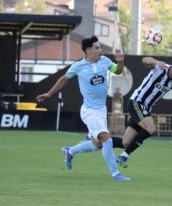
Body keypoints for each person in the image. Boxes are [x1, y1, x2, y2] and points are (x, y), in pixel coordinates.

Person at [36, 35, 130, 181]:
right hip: (89, 110)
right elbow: (63, 80)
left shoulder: (105, 61)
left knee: (97, 144)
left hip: (101, 110)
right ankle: (116, 174)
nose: (100, 50)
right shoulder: (78, 66)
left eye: (100, 47)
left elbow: (117, 71)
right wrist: (48, 94)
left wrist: (121, 62)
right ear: (87, 50)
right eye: (97, 47)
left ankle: (70, 151)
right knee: (106, 138)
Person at [116, 57, 172, 168]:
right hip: (137, 102)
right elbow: (145, 60)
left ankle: (99, 142)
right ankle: (124, 156)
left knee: (125, 143)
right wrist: (156, 62)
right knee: (151, 128)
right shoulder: (161, 68)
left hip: (145, 109)